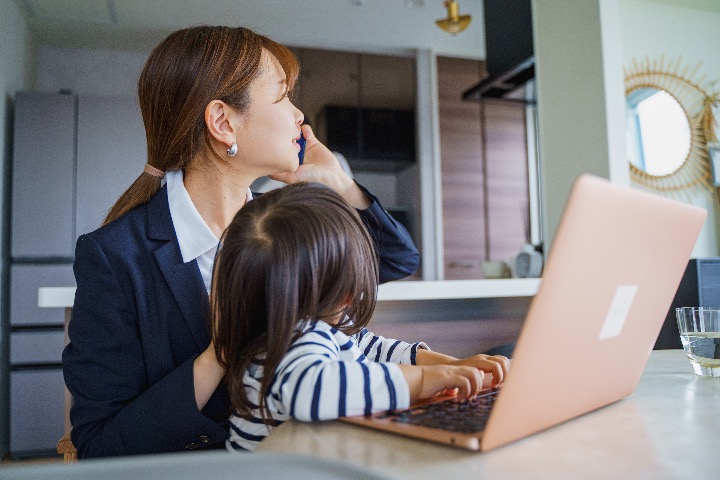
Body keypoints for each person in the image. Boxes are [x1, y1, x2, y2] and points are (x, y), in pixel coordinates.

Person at [62, 25, 420, 458]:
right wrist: (219, 355)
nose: (299, 116)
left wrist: (341, 185)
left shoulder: (280, 220)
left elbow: (396, 259)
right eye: (283, 96)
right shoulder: (115, 257)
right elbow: (100, 444)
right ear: (223, 122)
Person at [211, 182, 509, 452]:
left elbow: (377, 349)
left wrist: (451, 367)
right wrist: (420, 381)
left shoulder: (311, 330)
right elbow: (310, 388)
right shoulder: (295, 340)